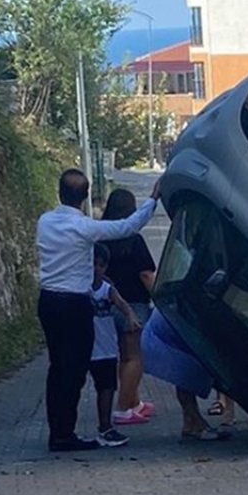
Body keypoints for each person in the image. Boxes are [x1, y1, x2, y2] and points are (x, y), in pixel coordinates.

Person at [35, 169, 159, 453]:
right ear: (86, 195)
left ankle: (59, 430)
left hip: (48, 301)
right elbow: (127, 227)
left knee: (58, 368)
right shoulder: (84, 228)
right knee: (75, 370)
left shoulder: (44, 222)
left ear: (59, 192)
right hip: (75, 304)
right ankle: (65, 436)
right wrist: (152, 200)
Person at [101, 189, 159, 426]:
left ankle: (134, 402)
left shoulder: (101, 236)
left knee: (123, 357)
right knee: (135, 357)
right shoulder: (134, 240)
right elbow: (146, 274)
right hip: (134, 304)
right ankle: (124, 408)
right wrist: (159, 297)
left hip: (108, 304)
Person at [142, 307, 232, 442]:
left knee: (184, 375)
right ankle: (196, 423)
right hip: (173, 325)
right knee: (185, 375)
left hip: (170, 322)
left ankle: (190, 423)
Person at [87, 244, 142, 447]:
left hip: (105, 348)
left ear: (106, 267)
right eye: (92, 263)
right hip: (85, 346)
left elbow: (122, 304)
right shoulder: (77, 287)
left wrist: (131, 316)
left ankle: (105, 427)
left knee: (107, 388)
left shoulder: (107, 289)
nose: (96, 269)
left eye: (100, 265)